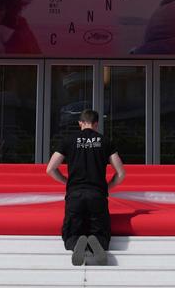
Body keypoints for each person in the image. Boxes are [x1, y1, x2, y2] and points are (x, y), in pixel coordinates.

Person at [45, 108, 125, 266]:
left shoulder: (68, 141)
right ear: (96, 124)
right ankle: (97, 241)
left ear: (80, 123)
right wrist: (107, 187)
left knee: (71, 231)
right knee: (101, 230)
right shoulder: (105, 141)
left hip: (75, 193)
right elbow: (121, 173)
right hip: (97, 194)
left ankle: (76, 242)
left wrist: (67, 181)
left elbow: (50, 169)